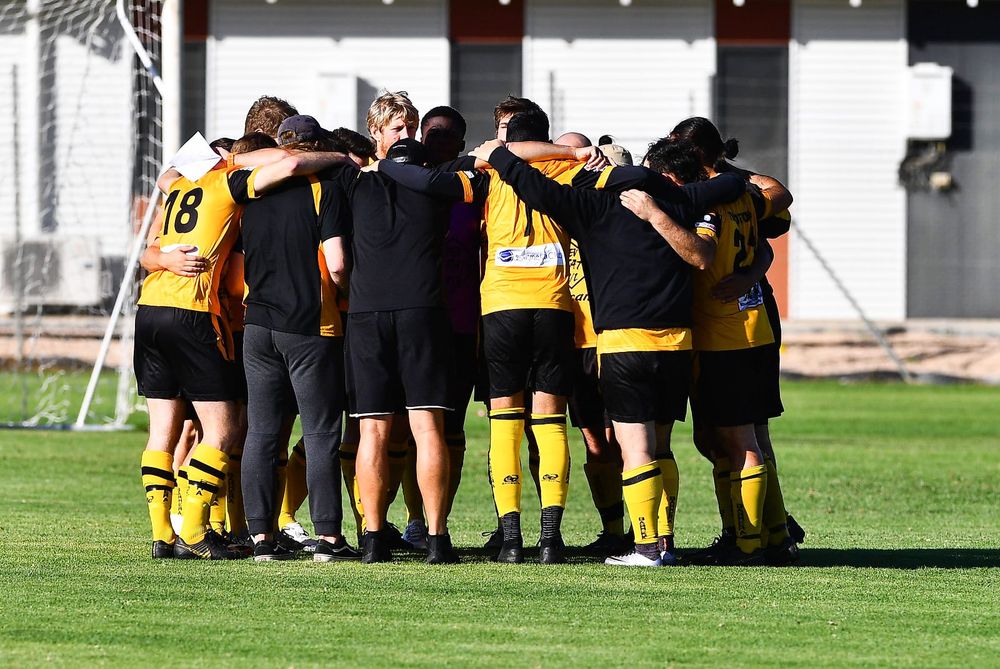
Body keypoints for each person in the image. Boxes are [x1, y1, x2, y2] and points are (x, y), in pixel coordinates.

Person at [469, 137, 746, 566]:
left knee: (633, 449)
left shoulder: (592, 206)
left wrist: (499, 153)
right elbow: (728, 185)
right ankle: (665, 541)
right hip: (676, 343)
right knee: (660, 446)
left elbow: (536, 188)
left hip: (623, 344)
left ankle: (646, 547)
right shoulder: (681, 200)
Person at [136, 135, 326, 560]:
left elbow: (164, 184)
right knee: (225, 429)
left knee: (164, 432)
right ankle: (196, 532)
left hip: (149, 310)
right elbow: (288, 162)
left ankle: (163, 536)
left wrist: (164, 258)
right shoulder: (229, 184)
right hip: (196, 313)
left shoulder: (180, 185)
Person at [340, 91, 489, 564]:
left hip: (414, 311)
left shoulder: (369, 179)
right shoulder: (418, 180)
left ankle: (435, 535)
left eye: (409, 127)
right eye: (396, 128)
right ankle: (373, 534)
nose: (405, 136)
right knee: (376, 433)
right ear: (376, 134)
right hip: (381, 316)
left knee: (427, 428)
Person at [238, 115, 360, 563]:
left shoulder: (252, 191)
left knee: (263, 433)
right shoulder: (323, 190)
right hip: (310, 324)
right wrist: (350, 297)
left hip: (258, 325)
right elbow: (338, 261)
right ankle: (328, 538)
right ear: (314, 148)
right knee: (322, 431)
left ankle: (261, 538)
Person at [552, 131, 629, 557]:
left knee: (630, 439)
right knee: (596, 442)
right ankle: (614, 529)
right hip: (573, 341)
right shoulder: (564, 207)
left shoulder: (634, 214)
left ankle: (648, 531)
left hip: (618, 338)